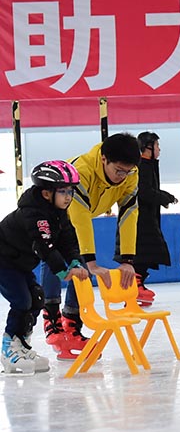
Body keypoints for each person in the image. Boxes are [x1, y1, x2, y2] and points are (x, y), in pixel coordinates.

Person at [40, 133, 141, 360]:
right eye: (119, 171)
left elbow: (129, 213)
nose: (123, 177)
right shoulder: (81, 172)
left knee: (82, 267)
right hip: (52, 215)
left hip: (80, 215)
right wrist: (91, 262)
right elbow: (79, 218)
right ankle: (52, 318)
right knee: (58, 258)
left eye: (128, 171)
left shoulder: (131, 173)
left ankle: (71, 323)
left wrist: (127, 260)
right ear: (104, 159)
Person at [0, 161, 87, 371]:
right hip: (4, 261)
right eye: (63, 191)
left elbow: (68, 238)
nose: (68, 197)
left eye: (71, 191)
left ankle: (21, 344)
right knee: (21, 300)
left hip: (20, 263)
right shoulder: (34, 213)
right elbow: (44, 245)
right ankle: (8, 349)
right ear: (47, 193)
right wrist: (62, 271)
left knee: (36, 299)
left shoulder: (57, 212)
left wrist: (75, 260)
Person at [132, 131, 178, 307]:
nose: (159, 149)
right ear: (147, 148)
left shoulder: (148, 165)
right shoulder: (141, 166)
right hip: (140, 219)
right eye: (157, 145)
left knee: (150, 251)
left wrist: (163, 197)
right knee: (145, 251)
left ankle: (138, 282)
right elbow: (143, 192)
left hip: (148, 217)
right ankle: (135, 285)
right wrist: (163, 197)